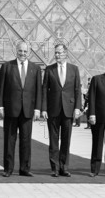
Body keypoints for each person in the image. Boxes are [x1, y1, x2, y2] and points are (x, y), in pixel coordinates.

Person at [0, 41, 42, 177]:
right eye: (20, 51)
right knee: (9, 141)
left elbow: (38, 90)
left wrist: (37, 109)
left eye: (25, 51)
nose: (22, 53)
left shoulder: (36, 68)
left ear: (29, 52)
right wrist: (0, 106)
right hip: (10, 109)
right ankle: (8, 169)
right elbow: (1, 89)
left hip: (28, 110)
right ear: (16, 50)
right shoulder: (7, 66)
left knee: (26, 141)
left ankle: (25, 169)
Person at [41, 43, 82, 177]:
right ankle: (55, 168)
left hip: (68, 110)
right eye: (56, 53)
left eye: (59, 53)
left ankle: (64, 167)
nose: (57, 55)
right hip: (53, 110)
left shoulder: (74, 69)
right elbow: (44, 90)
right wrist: (44, 108)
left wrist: (77, 108)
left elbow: (77, 90)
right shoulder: (49, 69)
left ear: (66, 53)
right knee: (53, 140)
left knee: (66, 140)